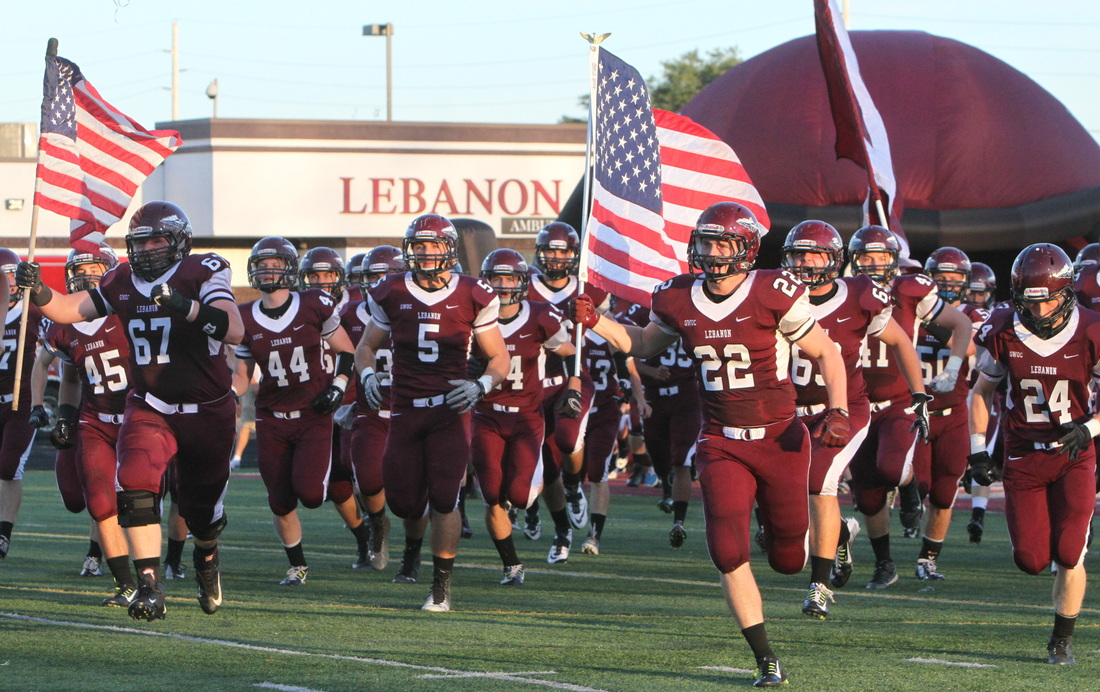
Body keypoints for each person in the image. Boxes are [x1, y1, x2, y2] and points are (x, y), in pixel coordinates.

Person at [574, 202, 849, 687]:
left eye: (723, 243)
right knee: (727, 551)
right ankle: (765, 658)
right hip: (720, 440)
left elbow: (826, 350)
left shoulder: (773, 291)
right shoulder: (678, 297)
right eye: (705, 241)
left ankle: (835, 535)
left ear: (746, 248)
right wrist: (597, 321)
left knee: (789, 561)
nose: (712, 252)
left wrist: (839, 409)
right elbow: (642, 342)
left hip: (779, 438)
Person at [16, 201, 243, 621]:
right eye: (141, 241)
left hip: (208, 410)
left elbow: (234, 328)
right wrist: (41, 290)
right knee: (134, 485)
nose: (149, 249)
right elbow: (67, 310)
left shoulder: (203, 270)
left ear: (180, 242)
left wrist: (185, 306)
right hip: (150, 404)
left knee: (201, 514)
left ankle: (207, 558)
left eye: (158, 239)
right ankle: (149, 587)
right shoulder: (121, 278)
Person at [355, 213, 509, 612]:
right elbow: (365, 347)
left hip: (449, 410)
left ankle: (441, 587)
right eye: (418, 245)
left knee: (445, 499)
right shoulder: (390, 290)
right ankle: (407, 544)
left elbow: (499, 358)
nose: (425, 253)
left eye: (433, 245)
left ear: (449, 249)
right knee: (404, 502)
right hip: (404, 410)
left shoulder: (474, 293)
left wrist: (480, 385)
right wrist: (368, 375)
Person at [780, 221, 927, 618]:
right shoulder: (772, 293)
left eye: (815, 254)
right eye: (798, 254)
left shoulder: (859, 296)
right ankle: (842, 533)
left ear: (835, 260)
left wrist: (919, 396)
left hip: (844, 409)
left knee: (819, 484)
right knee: (784, 517)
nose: (805, 263)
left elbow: (900, 342)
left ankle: (820, 586)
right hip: (787, 412)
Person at [969, 243, 1098, 665]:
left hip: (1074, 453)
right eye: (1031, 302)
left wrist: (1089, 428)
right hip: (1024, 454)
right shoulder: (1003, 327)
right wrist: (977, 451)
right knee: (1031, 560)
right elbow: (980, 392)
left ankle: (1062, 639)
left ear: (1068, 293)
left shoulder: (1091, 330)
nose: (1040, 313)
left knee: (1069, 551)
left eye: (1049, 302)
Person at [844, 225, 973, 589]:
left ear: (893, 260)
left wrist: (951, 369)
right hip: (857, 403)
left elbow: (961, 324)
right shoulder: (842, 292)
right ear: (854, 260)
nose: (872, 264)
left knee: (891, 467)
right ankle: (885, 564)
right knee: (868, 498)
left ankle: (911, 489)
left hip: (900, 398)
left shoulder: (909, 291)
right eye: (865, 257)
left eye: (880, 257)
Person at [233, 237, 357, 586]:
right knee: (280, 500)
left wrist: (337, 386)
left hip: (312, 413)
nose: (267, 270)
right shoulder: (243, 318)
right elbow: (242, 376)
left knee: (312, 494)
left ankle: (363, 534)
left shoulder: (314, 304)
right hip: (271, 417)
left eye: (274, 264)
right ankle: (297, 564)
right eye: (261, 265)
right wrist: (225, 391)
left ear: (289, 269)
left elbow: (346, 351)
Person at [32, 245, 139, 605]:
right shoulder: (62, 322)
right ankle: (125, 584)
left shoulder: (126, 309)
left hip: (140, 418)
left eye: (96, 268)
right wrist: (63, 415)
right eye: (81, 269)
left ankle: (160, 567)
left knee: (139, 501)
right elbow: (71, 376)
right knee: (98, 501)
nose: (88, 275)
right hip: (95, 419)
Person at [471, 248, 578, 584]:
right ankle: (511, 564)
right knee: (491, 494)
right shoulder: (475, 316)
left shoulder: (541, 316)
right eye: (496, 278)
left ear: (522, 282)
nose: (503, 285)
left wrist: (571, 387)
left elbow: (571, 350)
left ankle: (556, 523)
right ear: (485, 281)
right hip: (486, 415)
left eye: (510, 278)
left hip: (527, 417)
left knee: (519, 494)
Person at [908, 247, 988, 580]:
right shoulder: (911, 310)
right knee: (921, 484)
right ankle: (904, 499)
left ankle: (928, 559)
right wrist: (921, 314)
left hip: (955, 412)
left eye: (955, 279)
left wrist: (934, 320)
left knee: (944, 491)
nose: (949, 284)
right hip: (917, 411)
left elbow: (968, 343)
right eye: (941, 278)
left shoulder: (974, 314)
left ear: (966, 282)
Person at [299, 247, 375, 568]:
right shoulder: (297, 308)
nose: (319, 281)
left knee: (362, 469)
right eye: (313, 275)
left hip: (355, 403)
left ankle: (377, 524)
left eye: (326, 275)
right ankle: (363, 538)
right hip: (317, 405)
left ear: (339, 277)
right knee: (334, 483)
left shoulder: (359, 309)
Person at [526, 222, 594, 563]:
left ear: (573, 255)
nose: (555, 257)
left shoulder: (586, 288)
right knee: (547, 467)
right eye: (550, 250)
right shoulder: (525, 287)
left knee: (568, 440)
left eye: (562, 251)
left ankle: (574, 487)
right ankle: (562, 529)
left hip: (573, 378)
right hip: (533, 382)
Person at [339, 245, 406, 572]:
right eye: (372, 277)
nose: (378, 283)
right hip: (370, 406)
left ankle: (416, 551)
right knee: (366, 478)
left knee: (414, 491)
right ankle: (378, 522)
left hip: (412, 408)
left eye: (385, 275)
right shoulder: (349, 314)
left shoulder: (414, 306)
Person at [0, 248, 42, 561]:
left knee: (8, 466)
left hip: (19, 400)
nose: (9, 282)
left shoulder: (34, 312)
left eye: (12, 274)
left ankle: (3, 533)